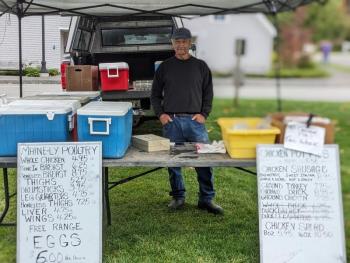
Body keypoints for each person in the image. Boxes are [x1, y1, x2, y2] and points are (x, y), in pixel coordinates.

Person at [151, 27, 223, 215]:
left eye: (184, 41)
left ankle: (206, 199)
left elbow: (208, 93)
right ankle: (178, 196)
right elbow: (155, 95)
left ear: (190, 43)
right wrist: (161, 115)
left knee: (204, 161)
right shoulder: (165, 67)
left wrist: (204, 115)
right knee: (174, 162)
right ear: (172, 44)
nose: (181, 45)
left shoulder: (200, 66)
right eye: (177, 41)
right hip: (172, 122)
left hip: (195, 121)